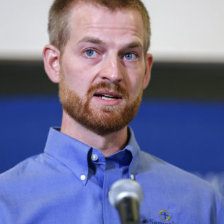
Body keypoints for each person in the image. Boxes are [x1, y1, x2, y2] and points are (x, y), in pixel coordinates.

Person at [0, 0, 223, 223]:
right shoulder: (6, 203)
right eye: (91, 52)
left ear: (146, 71)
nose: (114, 73)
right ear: (54, 63)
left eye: (129, 55)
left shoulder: (202, 204)